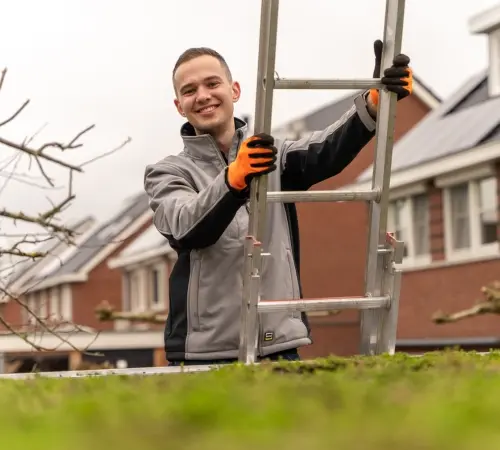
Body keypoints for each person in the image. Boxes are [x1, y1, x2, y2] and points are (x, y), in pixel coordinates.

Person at [143, 40, 413, 366]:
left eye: (212, 83)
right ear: (179, 105)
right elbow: (186, 227)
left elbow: (325, 151)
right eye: (189, 90)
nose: (202, 95)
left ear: (235, 90)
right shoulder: (167, 172)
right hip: (206, 354)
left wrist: (373, 104)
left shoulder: (272, 156)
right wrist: (233, 179)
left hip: (279, 344)